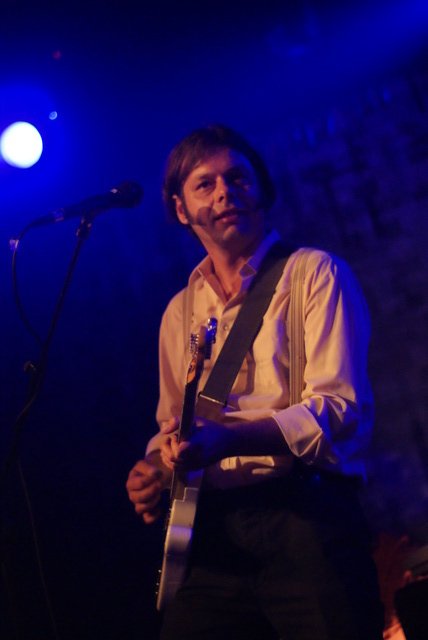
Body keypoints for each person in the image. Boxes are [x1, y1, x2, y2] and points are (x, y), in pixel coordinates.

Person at [126, 124, 384, 640]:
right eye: (205, 184)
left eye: (238, 177)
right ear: (181, 209)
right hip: (213, 536)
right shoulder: (178, 312)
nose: (225, 192)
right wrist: (155, 467)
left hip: (307, 521)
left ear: (261, 188)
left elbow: (339, 409)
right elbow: (173, 424)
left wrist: (229, 439)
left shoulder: (314, 274)